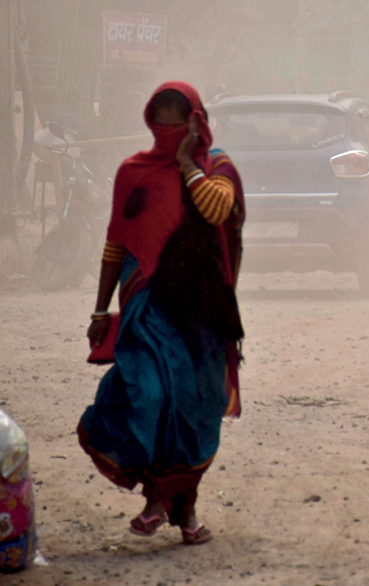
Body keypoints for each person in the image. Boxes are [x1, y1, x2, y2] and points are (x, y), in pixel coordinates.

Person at [78, 81, 245, 546]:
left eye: (180, 117)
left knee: (194, 409)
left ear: (197, 121)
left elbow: (215, 210)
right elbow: (116, 243)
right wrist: (99, 308)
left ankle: (184, 508)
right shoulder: (133, 172)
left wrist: (189, 161)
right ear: (150, 120)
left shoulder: (218, 168)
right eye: (162, 117)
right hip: (146, 312)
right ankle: (157, 498)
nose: (169, 127)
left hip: (203, 316)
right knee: (151, 399)